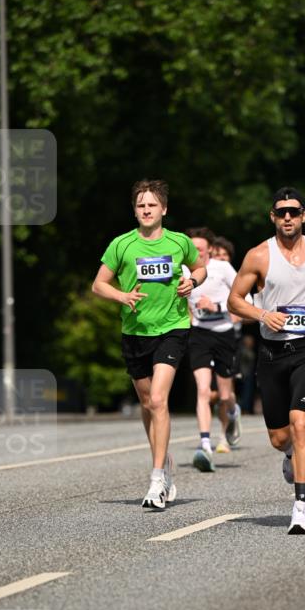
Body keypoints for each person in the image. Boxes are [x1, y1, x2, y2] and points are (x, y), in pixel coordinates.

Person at [228, 187, 305, 534]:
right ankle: (288, 456)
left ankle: (300, 508)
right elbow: (234, 301)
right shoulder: (258, 257)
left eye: (293, 212)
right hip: (271, 355)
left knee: (301, 425)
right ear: (272, 216)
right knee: (280, 437)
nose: (287, 217)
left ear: (304, 215)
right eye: (281, 212)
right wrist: (262, 314)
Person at [92, 179, 206, 509]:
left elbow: (200, 268)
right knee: (146, 402)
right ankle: (165, 462)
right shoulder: (122, 245)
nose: (146, 209)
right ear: (135, 210)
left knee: (158, 399)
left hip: (172, 327)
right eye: (141, 205)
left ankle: (156, 478)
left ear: (164, 209)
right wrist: (122, 295)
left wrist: (192, 281)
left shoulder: (179, 242)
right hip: (135, 331)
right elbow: (99, 285)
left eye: (152, 205)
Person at [186, 227, 242, 471]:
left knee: (226, 395)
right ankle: (205, 444)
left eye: (199, 248)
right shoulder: (182, 271)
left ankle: (232, 413)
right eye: (191, 248)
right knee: (202, 390)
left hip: (224, 334)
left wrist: (216, 307)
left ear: (209, 249)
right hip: (199, 336)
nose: (195, 252)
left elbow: (245, 301)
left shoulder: (222, 269)